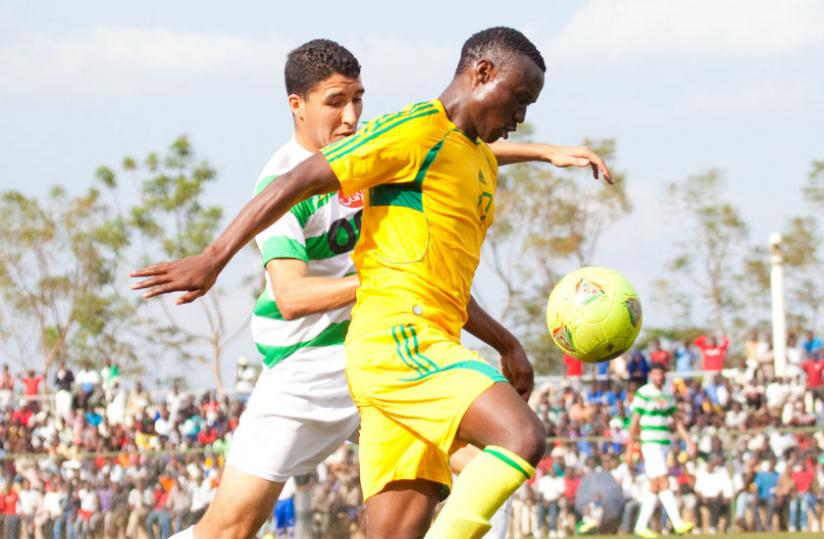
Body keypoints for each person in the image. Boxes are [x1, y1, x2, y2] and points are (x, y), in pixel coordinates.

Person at [133, 27, 614, 539]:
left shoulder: (459, 155)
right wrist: (213, 257)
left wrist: (545, 154)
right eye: (336, 102)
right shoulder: (393, 137)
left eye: (357, 99)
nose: (351, 116)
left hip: (391, 350)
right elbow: (293, 275)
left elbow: (447, 236)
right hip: (338, 357)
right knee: (518, 436)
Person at [626, 363, 696, 538]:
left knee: (655, 485)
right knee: (664, 480)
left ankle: (640, 526)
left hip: (664, 443)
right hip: (650, 442)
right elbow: (634, 422)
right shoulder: (644, 393)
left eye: (661, 374)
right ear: (651, 375)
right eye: (656, 373)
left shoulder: (667, 394)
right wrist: (630, 448)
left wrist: (689, 441)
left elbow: (677, 421)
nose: (659, 377)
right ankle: (677, 523)